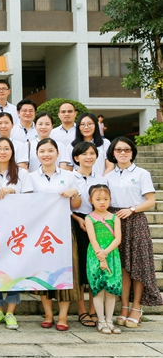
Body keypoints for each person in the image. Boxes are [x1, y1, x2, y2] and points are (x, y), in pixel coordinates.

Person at [105, 137, 163, 327]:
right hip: (115, 221)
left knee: (138, 265)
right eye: (118, 150)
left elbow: (150, 201)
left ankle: (137, 307)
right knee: (122, 267)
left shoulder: (141, 173)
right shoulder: (108, 177)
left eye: (127, 149)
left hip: (135, 220)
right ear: (113, 153)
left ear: (132, 152)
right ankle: (124, 306)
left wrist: (131, 209)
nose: (123, 153)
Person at [29, 138, 82, 331]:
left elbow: (76, 205)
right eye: (42, 151)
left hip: (63, 229)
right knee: (43, 271)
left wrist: (74, 193)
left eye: (50, 150)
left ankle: (63, 316)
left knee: (65, 270)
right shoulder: (31, 177)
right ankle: (48, 314)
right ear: (37, 154)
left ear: (58, 153)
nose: (46, 154)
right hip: (40, 231)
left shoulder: (69, 176)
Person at [0, 137, 33, 330]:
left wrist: (13, 193)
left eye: (6, 148)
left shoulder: (22, 174)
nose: (2, 152)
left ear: (12, 152)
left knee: (15, 268)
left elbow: (30, 200)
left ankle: (11, 311)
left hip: (16, 229)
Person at [70, 141, 107, 328]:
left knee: (94, 266)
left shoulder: (101, 179)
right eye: (84, 154)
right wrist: (78, 219)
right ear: (76, 158)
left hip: (97, 223)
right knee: (78, 266)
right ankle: (81, 310)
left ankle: (94, 309)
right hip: (76, 223)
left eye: (92, 153)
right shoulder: (69, 178)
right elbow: (63, 205)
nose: (88, 157)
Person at [84, 184, 123, 335]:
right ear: (91, 200)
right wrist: (100, 256)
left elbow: (118, 239)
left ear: (110, 199)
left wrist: (105, 253)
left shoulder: (115, 218)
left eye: (106, 199)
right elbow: (92, 239)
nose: (102, 202)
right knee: (99, 289)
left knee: (111, 290)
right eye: (98, 199)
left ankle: (109, 320)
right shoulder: (89, 218)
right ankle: (101, 321)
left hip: (112, 254)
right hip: (95, 255)